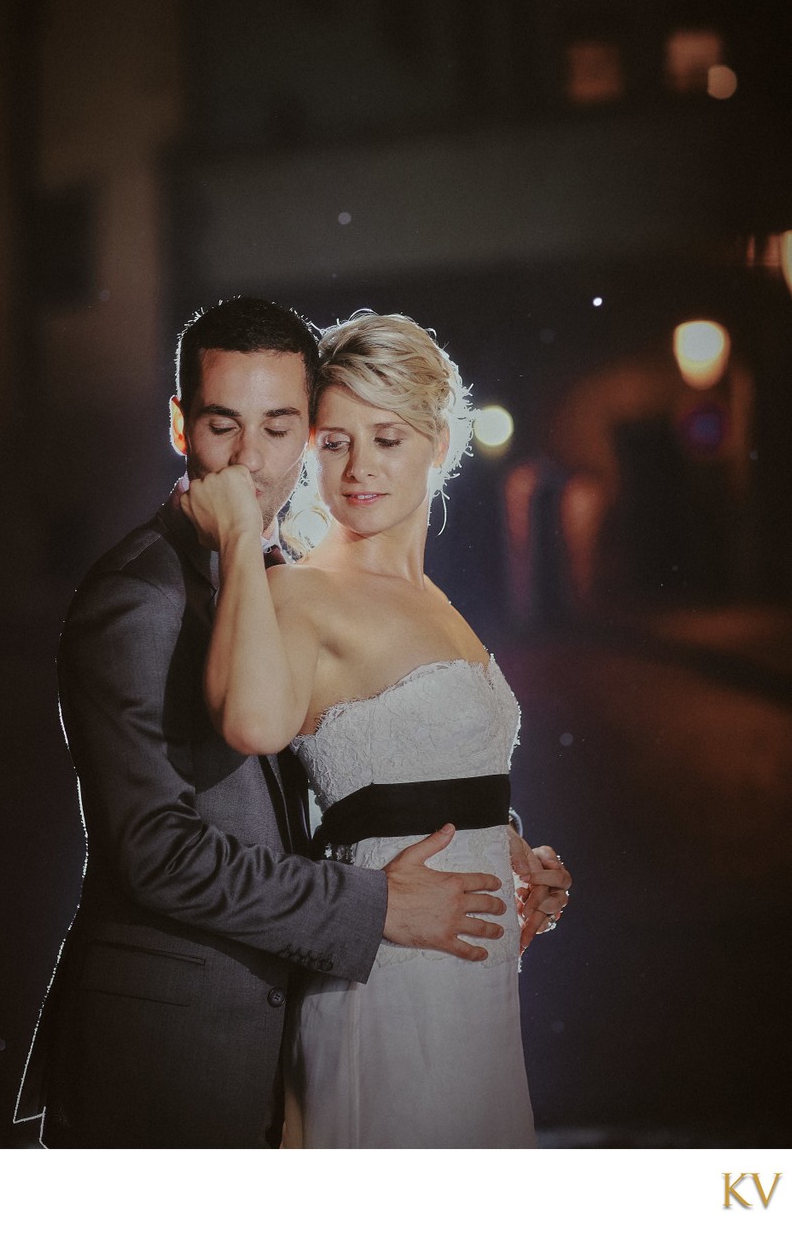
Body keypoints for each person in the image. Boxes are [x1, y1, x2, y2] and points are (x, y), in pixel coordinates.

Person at [15, 296, 569, 1148]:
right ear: (179, 425)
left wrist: (492, 847)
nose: (250, 460)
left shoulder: (284, 568)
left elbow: (345, 775)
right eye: (221, 425)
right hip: (175, 1041)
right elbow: (158, 852)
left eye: (279, 428)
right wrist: (376, 906)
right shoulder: (139, 597)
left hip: (302, 999)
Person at [181, 309, 571, 1148]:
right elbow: (251, 722)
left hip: (477, 978)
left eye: (387, 439)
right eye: (333, 442)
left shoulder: (437, 601)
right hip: (391, 975)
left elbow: (417, 772)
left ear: (438, 443)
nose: (357, 469)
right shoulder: (299, 594)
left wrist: (508, 847)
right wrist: (242, 539)